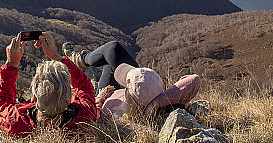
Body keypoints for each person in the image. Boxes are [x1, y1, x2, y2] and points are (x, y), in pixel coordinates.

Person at [0, 32, 98, 138]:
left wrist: (11, 64)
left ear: (34, 97)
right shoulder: (84, 116)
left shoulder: (16, 121)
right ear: (69, 98)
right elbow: (84, 85)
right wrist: (56, 56)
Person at [63, 40, 200, 121]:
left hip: (105, 96)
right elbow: (194, 80)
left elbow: (93, 114)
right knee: (111, 55)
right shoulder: (161, 104)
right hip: (145, 98)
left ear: (128, 91)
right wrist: (156, 102)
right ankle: (82, 61)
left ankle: (80, 60)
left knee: (111, 54)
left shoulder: (112, 111)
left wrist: (101, 96)